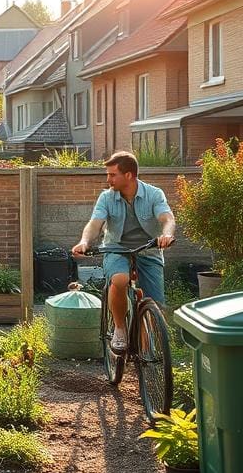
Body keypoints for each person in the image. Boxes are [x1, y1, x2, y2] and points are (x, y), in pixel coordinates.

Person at [71, 151, 176, 353]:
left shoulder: (154, 194)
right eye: (108, 174)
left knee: (155, 305)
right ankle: (119, 328)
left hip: (148, 250)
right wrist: (84, 242)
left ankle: (148, 356)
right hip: (116, 249)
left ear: (128, 175)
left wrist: (166, 235)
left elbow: (167, 219)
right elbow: (94, 224)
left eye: (112, 175)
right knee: (119, 279)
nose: (108, 179)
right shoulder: (106, 198)